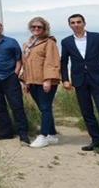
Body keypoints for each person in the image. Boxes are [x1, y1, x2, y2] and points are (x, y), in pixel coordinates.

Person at [60, 14, 99, 157]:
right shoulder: (66, 42)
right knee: (87, 113)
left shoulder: (97, 37)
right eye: (72, 23)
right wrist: (65, 79)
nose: (76, 24)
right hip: (80, 81)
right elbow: (64, 62)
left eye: (79, 22)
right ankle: (96, 140)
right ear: (70, 25)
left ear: (84, 23)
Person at [0, 19, 30, 144]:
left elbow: (19, 60)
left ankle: (23, 134)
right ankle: (6, 132)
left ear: (1, 28)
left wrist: (15, 74)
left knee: (17, 106)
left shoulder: (11, 42)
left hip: (9, 78)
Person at [20, 16, 61, 148]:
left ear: (45, 28)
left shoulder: (49, 42)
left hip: (45, 81)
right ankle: (52, 134)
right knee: (44, 108)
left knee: (45, 107)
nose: (36, 29)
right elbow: (26, 64)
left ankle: (43, 136)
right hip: (32, 81)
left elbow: (52, 61)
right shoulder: (28, 44)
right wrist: (25, 81)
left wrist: (48, 79)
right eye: (33, 27)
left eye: (39, 27)